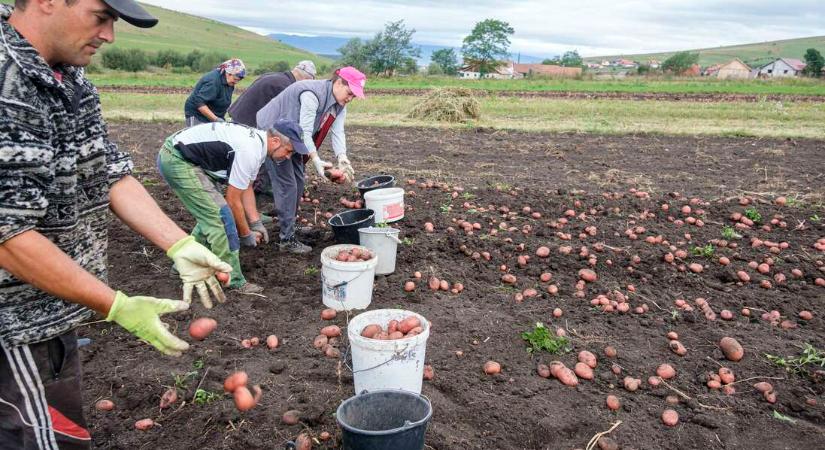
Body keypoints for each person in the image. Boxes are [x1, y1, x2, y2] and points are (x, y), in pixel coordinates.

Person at [0, 1, 231, 449]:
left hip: (46, 309)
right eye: (100, 17)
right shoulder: (7, 83)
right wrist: (117, 305)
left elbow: (106, 170)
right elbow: (7, 235)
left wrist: (179, 243)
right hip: (12, 326)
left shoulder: (70, 77)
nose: (110, 36)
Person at [157, 120, 308, 293]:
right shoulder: (249, 150)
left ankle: (182, 265)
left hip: (185, 157)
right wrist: (246, 234)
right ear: (275, 141)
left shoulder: (258, 147)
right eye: (288, 151)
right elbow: (233, 201)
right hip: (177, 159)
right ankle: (234, 280)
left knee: (211, 214)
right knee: (221, 217)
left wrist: (256, 222)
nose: (288, 157)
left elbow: (246, 188)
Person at [256, 66, 366, 253]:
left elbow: (338, 131)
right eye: (349, 93)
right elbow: (306, 131)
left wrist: (342, 158)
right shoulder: (311, 94)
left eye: (354, 96)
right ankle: (286, 240)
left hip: (293, 136)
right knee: (287, 184)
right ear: (339, 82)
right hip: (274, 133)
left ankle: (291, 227)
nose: (350, 98)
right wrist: (316, 161)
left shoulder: (339, 105)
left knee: (299, 181)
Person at [228, 60, 316, 196]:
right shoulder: (286, 86)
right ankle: (259, 188)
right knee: (264, 150)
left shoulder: (276, 77)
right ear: (306, 79)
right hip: (250, 121)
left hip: (239, 114)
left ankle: (246, 182)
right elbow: (283, 118)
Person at [184, 58, 245, 126]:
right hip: (197, 115)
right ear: (228, 73)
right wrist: (216, 119)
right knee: (200, 136)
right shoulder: (213, 82)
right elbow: (199, 103)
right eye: (235, 79)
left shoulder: (229, 82)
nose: (236, 82)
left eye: (238, 80)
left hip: (213, 115)